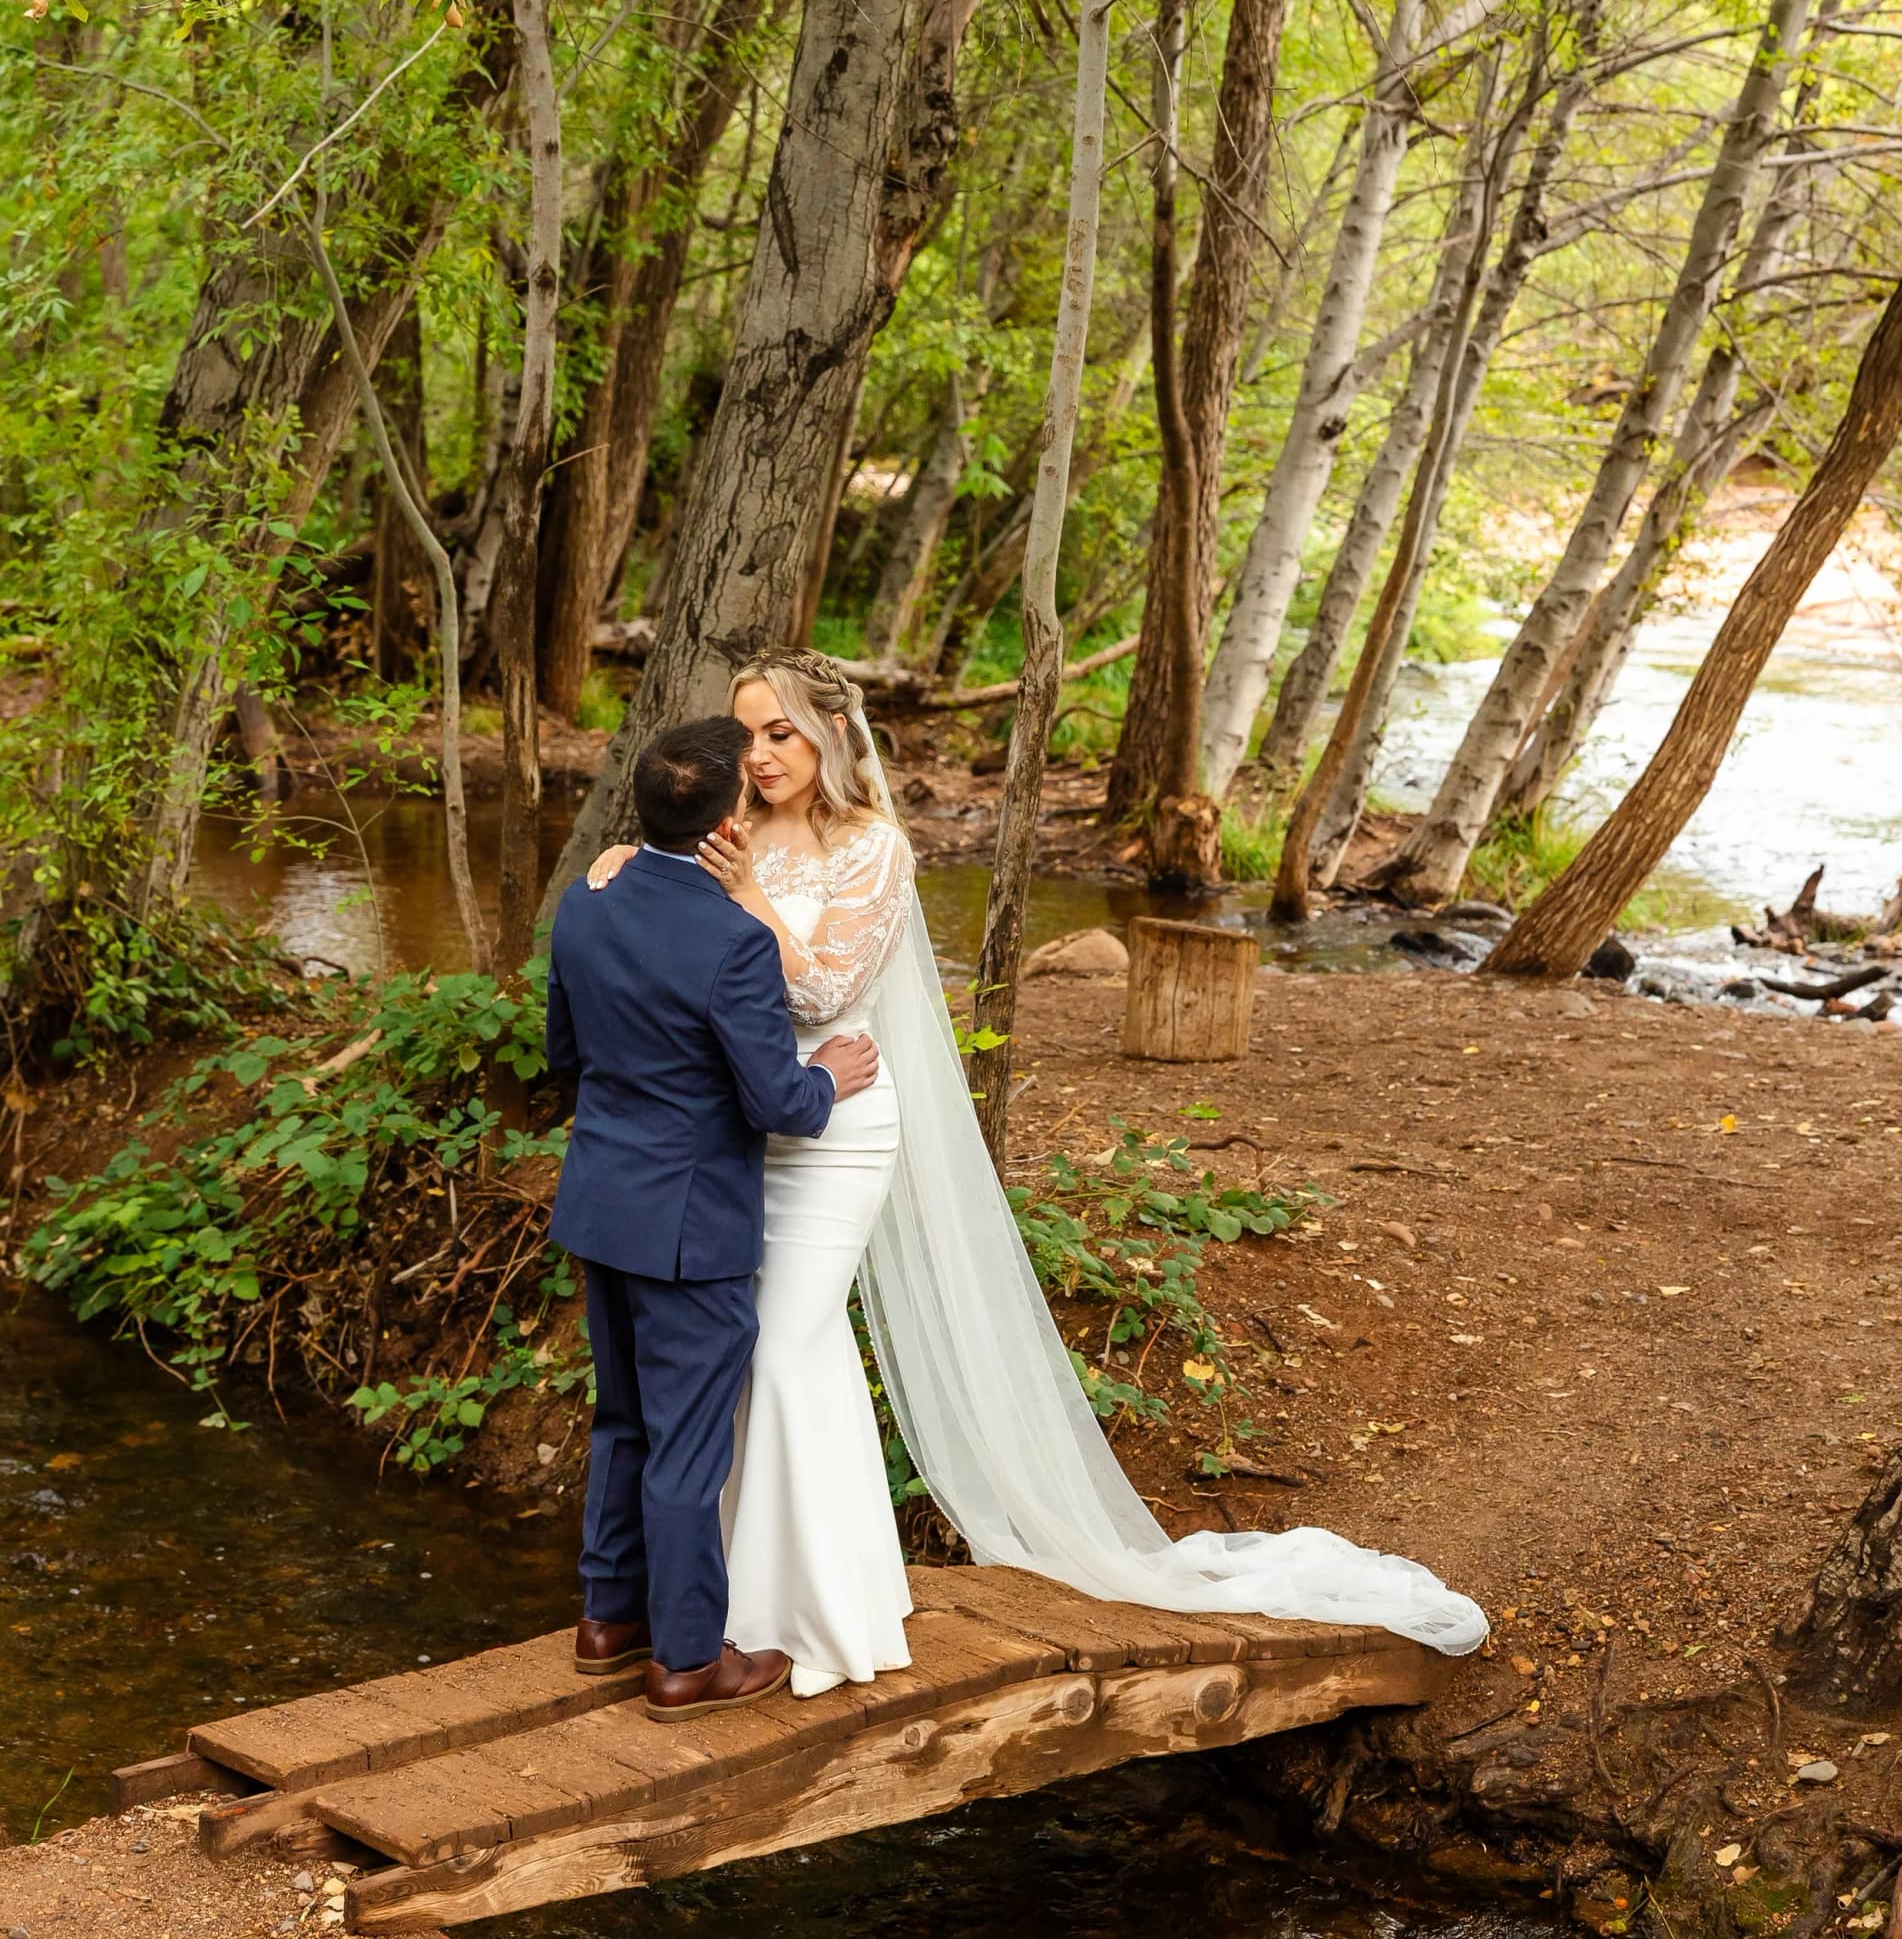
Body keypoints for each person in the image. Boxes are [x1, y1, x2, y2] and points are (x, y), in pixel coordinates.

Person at [589, 650, 1489, 1693]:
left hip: (835, 1131)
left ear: (832, 733)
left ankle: (821, 1614)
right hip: (737, 1138)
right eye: (745, 732)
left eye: (782, 731)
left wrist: (745, 896)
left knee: (788, 1349)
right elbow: (650, 898)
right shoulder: (723, 831)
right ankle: (729, 1612)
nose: (761, 753)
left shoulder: (872, 848)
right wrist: (620, 866)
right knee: (739, 1369)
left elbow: (826, 984)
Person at [545, 711, 880, 1722]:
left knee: (623, 1419)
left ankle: (607, 1620)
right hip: (693, 1226)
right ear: (732, 811)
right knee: (691, 1445)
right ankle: (689, 1658)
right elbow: (776, 1104)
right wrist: (824, 1075)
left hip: (603, 1202)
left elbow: (565, 1055)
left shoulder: (583, 906)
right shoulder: (734, 942)